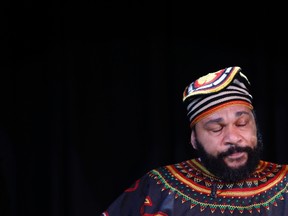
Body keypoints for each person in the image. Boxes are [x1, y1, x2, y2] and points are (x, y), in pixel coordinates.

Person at [101, 66, 288, 215]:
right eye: (217, 128)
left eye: (242, 123)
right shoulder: (159, 188)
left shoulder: (285, 183)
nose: (232, 138)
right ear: (194, 139)